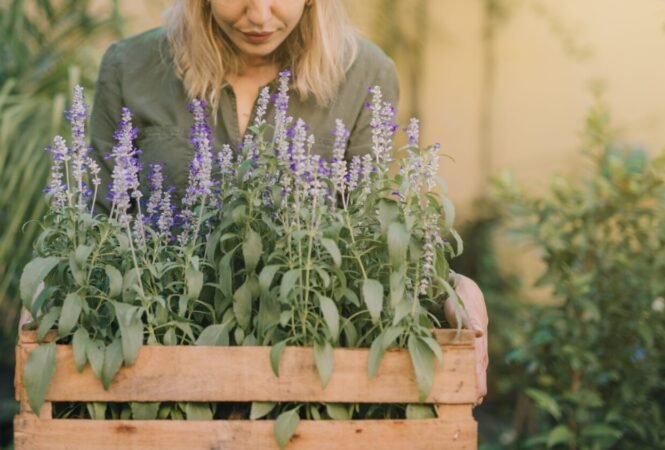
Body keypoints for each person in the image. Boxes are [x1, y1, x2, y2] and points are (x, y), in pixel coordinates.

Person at [85, 0, 488, 404]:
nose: (260, 16)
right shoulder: (131, 67)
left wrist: (452, 287)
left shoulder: (364, 72)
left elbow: (373, 237)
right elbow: (97, 225)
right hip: (157, 375)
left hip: (306, 379)